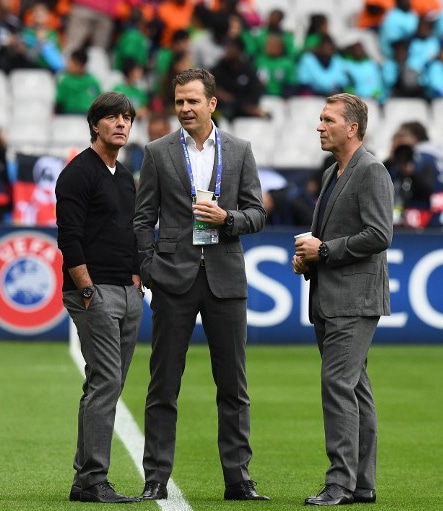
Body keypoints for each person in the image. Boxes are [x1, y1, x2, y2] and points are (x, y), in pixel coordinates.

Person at [133, 68, 269, 501]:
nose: (185, 109)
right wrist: (150, 268)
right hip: (173, 279)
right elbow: (142, 218)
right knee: (163, 384)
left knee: (233, 385)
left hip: (225, 278)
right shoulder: (156, 152)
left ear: (212, 104)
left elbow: (257, 213)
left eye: (193, 101)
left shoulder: (241, 150)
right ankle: (155, 476)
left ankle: (238, 479)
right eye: (179, 102)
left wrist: (227, 219)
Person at [292, 93, 394, 506]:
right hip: (334, 296)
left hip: (353, 299)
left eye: (327, 119)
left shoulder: (370, 170)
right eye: (320, 118)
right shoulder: (337, 171)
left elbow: (379, 234)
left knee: (337, 385)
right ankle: (361, 484)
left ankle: (340, 482)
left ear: (352, 128)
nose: (319, 126)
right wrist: (310, 261)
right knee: (354, 390)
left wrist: (325, 252)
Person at [55, 91, 144, 503]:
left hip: (126, 292)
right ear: (96, 124)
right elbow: (69, 237)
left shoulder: (124, 177)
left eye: (127, 118)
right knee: (106, 381)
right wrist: (86, 288)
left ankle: (85, 479)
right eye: (112, 117)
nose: (121, 124)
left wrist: (136, 279)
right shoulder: (77, 174)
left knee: (105, 383)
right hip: (94, 293)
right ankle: (92, 478)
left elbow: (129, 231)